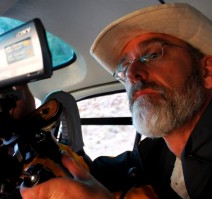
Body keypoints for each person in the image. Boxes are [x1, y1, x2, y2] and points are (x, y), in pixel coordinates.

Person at [20, 3, 212, 199]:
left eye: (153, 54)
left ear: (207, 70)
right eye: (125, 66)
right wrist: (27, 127)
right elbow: (94, 175)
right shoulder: (158, 151)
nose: (132, 73)